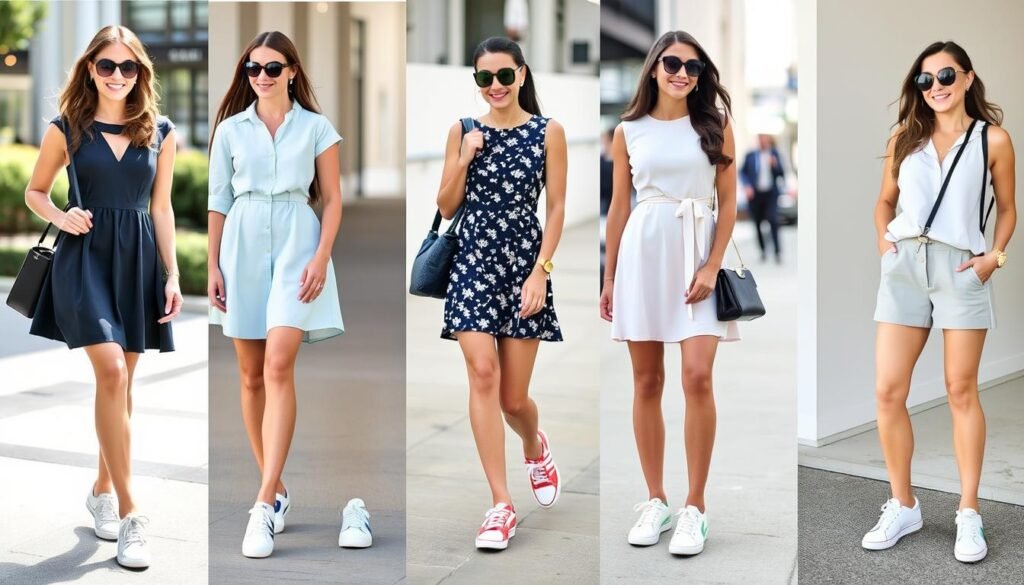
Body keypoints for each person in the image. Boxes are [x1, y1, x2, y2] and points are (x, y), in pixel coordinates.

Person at [24, 25, 183, 569]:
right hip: (85, 258)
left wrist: (172, 274)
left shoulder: (161, 130)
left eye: (128, 67)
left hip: (137, 260)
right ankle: (133, 511)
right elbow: (35, 191)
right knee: (112, 371)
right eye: (107, 65)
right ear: (89, 68)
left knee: (124, 383)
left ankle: (101, 490)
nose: (117, 76)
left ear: (142, 72)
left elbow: (161, 209)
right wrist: (61, 215)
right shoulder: (66, 128)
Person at [208, 30, 369, 558]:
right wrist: (212, 265)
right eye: (252, 69)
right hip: (242, 245)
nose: (261, 77)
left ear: (292, 71)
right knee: (251, 375)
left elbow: (335, 200)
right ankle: (276, 489)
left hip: (299, 245)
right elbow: (218, 203)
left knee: (278, 365)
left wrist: (321, 257)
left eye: (272, 68)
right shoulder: (230, 130)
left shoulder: (317, 128)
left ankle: (261, 504)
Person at [863, 40, 1015, 564]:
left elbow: (1009, 208)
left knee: (960, 389)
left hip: (960, 267)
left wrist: (994, 255)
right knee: (887, 390)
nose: (936, 87)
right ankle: (902, 503)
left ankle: (968, 512)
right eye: (925, 80)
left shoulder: (992, 139)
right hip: (905, 266)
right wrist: (887, 244)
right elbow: (884, 202)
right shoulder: (905, 136)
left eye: (946, 75)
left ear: (968, 78)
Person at [600, 30, 740, 557]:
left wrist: (712, 264)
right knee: (646, 380)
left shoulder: (716, 126)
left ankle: (695, 507)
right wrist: (610, 278)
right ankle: (655, 500)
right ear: (654, 67)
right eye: (674, 63)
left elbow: (728, 204)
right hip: (643, 252)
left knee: (697, 377)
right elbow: (618, 208)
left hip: (696, 249)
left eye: (694, 67)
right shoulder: (627, 130)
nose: (683, 73)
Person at [435, 36, 567, 551]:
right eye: (484, 78)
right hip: (472, 265)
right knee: (482, 374)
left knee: (513, 399)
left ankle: (535, 444)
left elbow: (555, 209)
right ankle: (501, 505)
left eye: (504, 76)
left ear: (522, 75)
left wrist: (542, 272)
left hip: (523, 268)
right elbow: (446, 206)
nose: (494, 86)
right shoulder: (462, 131)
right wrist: (465, 157)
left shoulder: (548, 132)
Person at [740, 133, 785, 262]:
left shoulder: (774, 154)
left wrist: (775, 165)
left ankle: (777, 252)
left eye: (764, 140)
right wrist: (747, 186)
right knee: (757, 223)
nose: (762, 142)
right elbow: (743, 172)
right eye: (760, 140)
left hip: (770, 194)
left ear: (769, 141)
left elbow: (781, 173)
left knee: (773, 220)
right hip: (755, 195)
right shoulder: (751, 155)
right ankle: (763, 251)